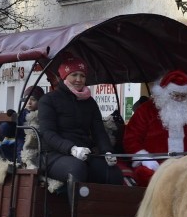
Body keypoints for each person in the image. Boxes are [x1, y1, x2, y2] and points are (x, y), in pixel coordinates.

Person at [123, 70, 187, 187]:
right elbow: (131, 139)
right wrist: (145, 159)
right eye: (175, 95)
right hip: (156, 165)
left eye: (183, 96)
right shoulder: (146, 110)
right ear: (164, 94)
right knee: (145, 175)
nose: (179, 99)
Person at [37, 55, 123, 186]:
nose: (79, 79)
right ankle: (75, 207)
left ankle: (106, 206)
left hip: (84, 154)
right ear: (64, 76)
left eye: (82, 75)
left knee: (113, 172)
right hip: (53, 155)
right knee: (77, 169)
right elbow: (48, 133)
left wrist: (107, 152)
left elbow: (99, 131)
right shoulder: (48, 100)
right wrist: (71, 149)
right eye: (74, 75)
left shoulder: (90, 102)